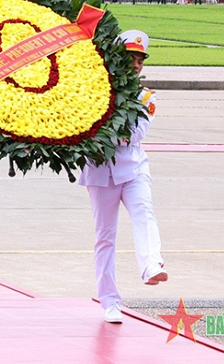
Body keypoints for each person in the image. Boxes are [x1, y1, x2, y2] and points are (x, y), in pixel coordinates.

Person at [78, 30, 167, 324]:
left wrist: (100, 129)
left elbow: (135, 134)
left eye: (140, 59)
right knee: (105, 237)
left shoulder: (146, 97)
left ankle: (151, 264)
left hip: (133, 168)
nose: (136, 63)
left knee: (144, 213)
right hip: (100, 171)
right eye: (131, 57)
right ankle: (110, 301)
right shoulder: (95, 89)